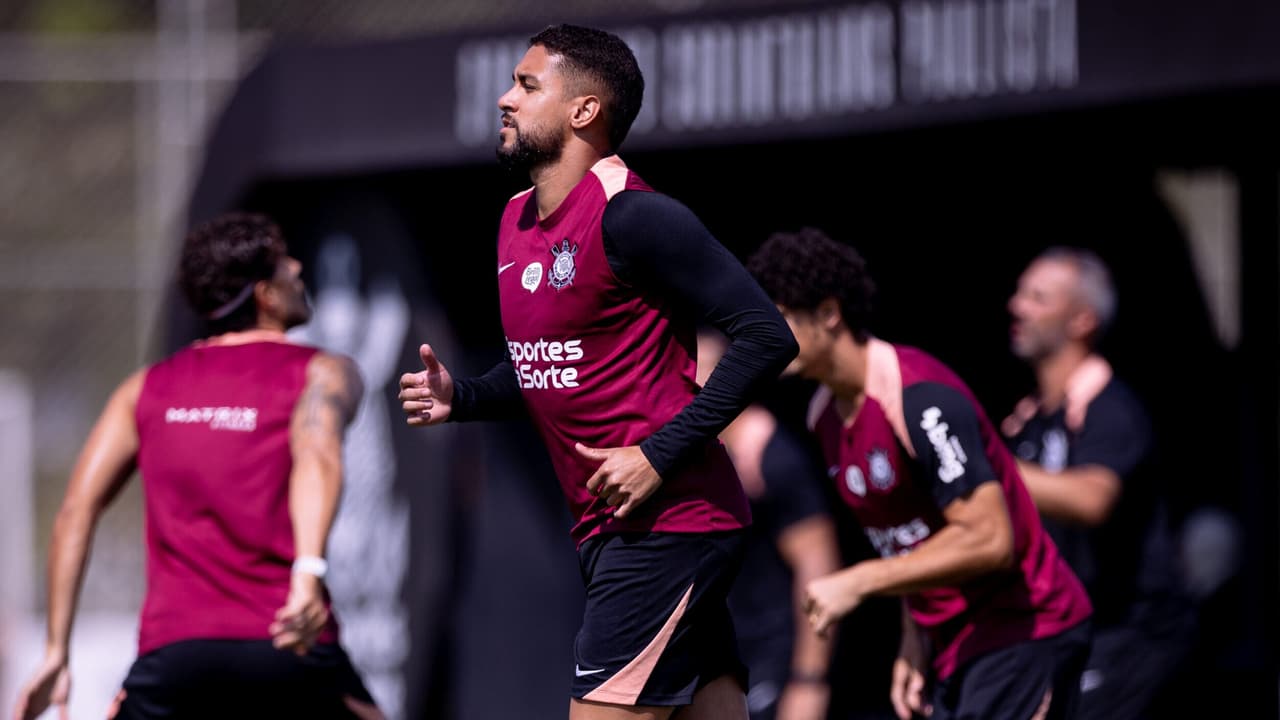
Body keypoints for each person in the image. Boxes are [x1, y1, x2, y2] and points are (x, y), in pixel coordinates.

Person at [397, 23, 797, 720]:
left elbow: (767, 337)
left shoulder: (637, 218)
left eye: (526, 86)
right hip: (613, 530)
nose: (505, 99)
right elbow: (551, 372)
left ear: (585, 111)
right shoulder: (515, 220)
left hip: (668, 525)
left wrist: (656, 454)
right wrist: (461, 396)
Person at [12, 212, 381, 720]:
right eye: (284, 264)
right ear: (265, 295)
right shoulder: (324, 372)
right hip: (286, 638)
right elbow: (317, 454)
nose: (297, 268)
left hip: (172, 656)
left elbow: (75, 511)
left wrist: (57, 650)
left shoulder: (145, 388)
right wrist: (308, 572)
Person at [745, 227, 1093, 720]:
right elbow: (911, 535)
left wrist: (860, 581)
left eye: (777, 318)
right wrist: (915, 636)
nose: (762, 335)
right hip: (956, 643)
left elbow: (991, 539)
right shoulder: (823, 416)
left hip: (1025, 631)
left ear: (828, 314)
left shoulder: (917, 396)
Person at [1002, 246, 1196, 719]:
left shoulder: (1111, 408)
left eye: (1038, 297)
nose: (1017, 306)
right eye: (1021, 293)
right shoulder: (1027, 421)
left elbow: (1092, 499)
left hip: (1130, 633)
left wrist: (985, 464)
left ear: (1082, 320)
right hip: (1064, 633)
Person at [695, 330, 841, 720]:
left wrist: (809, 680)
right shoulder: (689, 455)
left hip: (771, 659)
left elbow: (818, 567)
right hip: (712, 659)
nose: (692, 384)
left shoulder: (774, 458)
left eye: (704, 372)